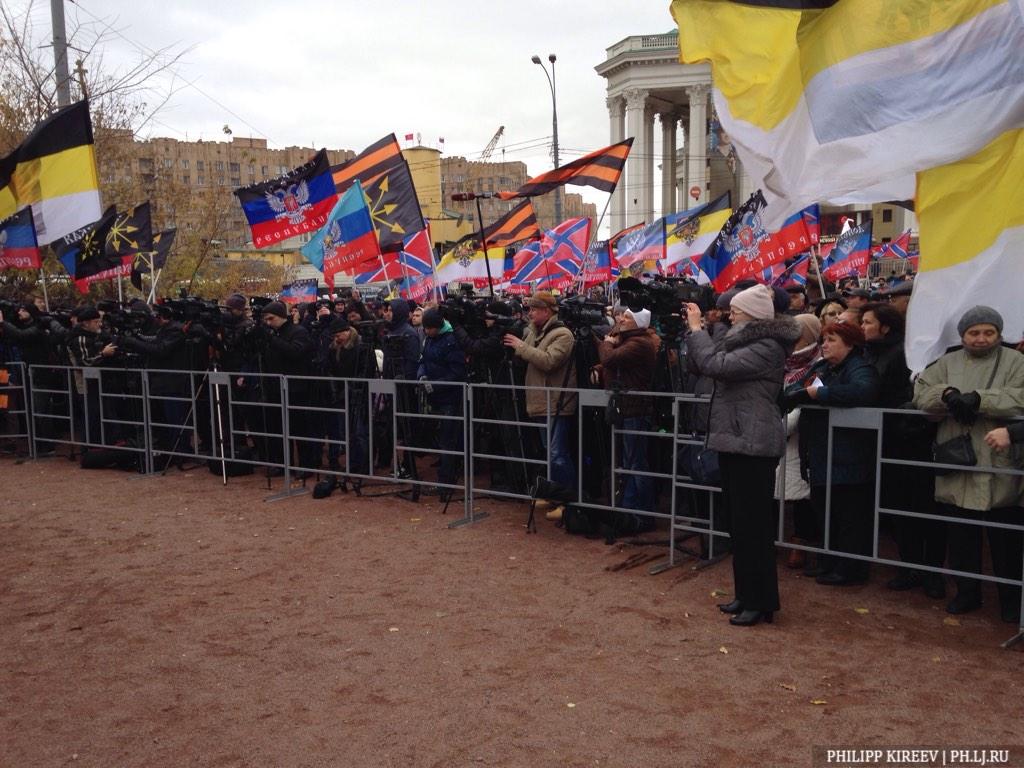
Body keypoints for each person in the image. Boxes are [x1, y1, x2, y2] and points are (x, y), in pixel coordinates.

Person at [684, 284, 800, 627]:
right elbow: (702, 363)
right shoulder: (743, 340)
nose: (729, 314)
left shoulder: (766, 346)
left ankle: (762, 602)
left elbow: (715, 364)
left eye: (735, 310)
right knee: (738, 525)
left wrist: (696, 330)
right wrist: (704, 332)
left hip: (754, 441)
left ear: (751, 315)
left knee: (754, 527)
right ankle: (745, 594)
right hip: (735, 439)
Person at [913, 306, 1024, 622]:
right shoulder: (947, 363)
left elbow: (1020, 396)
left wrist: (980, 398)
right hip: (959, 460)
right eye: (974, 333)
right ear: (962, 336)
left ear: (999, 334)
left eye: (988, 332)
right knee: (962, 535)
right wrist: (948, 394)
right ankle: (967, 592)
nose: (981, 338)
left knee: (1005, 541)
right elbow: (921, 393)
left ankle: (1010, 599)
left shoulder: (1017, 362)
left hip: (1000, 462)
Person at [861, 303, 946, 598]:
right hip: (888, 440)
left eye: (868, 322)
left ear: (885, 326)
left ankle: (932, 573)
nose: (863, 326)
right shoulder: (871, 352)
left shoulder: (905, 355)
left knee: (924, 509)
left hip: (914, 442)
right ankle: (909, 566)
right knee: (899, 507)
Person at [788, 321, 880, 586]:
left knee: (849, 514)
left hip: (849, 454)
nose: (825, 345)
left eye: (832, 340)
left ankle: (850, 568)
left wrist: (820, 394)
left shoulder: (860, 367)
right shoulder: (823, 367)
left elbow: (864, 391)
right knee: (825, 512)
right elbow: (801, 387)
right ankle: (828, 561)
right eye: (824, 340)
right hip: (820, 451)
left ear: (850, 344)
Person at [504, 291, 577, 517]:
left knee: (558, 453)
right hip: (541, 402)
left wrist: (521, 345)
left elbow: (548, 361)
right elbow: (520, 357)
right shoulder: (537, 331)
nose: (530, 313)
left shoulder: (563, 334)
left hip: (556, 402)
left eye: (534, 310)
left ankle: (568, 501)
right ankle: (554, 493)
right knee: (549, 453)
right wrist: (528, 335)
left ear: (546, 311)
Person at [596, 307, 660, 517]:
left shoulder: (639, 343)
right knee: (628, 460)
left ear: (638, 323)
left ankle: (641, 510)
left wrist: (606, 342)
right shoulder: (628, 340)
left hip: (635, 408)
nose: (621, 318)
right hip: (626, 406)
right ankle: (629, 506)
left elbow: (610, 359)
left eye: (627, 317)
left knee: (635, 461)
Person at [776, 313, 822, 570]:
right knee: (771, 489)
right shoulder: (782, 362)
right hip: (775, 431)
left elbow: (807, 399)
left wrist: (785, 424)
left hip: (799, 438)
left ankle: (799, 542)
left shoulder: (819, 363)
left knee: (801, 494)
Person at [417, 308, 467, 501]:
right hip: (434, 396)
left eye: (429, 328)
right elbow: (422, 359)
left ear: (437, 327)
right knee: (441, 439)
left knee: (448, 440)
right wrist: (421, 375)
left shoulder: (451, 340)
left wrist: (436, 385)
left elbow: (457, 373)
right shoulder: (429, 339)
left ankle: (446, 482)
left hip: (449, 397)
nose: (426, 331)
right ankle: (445, 477)